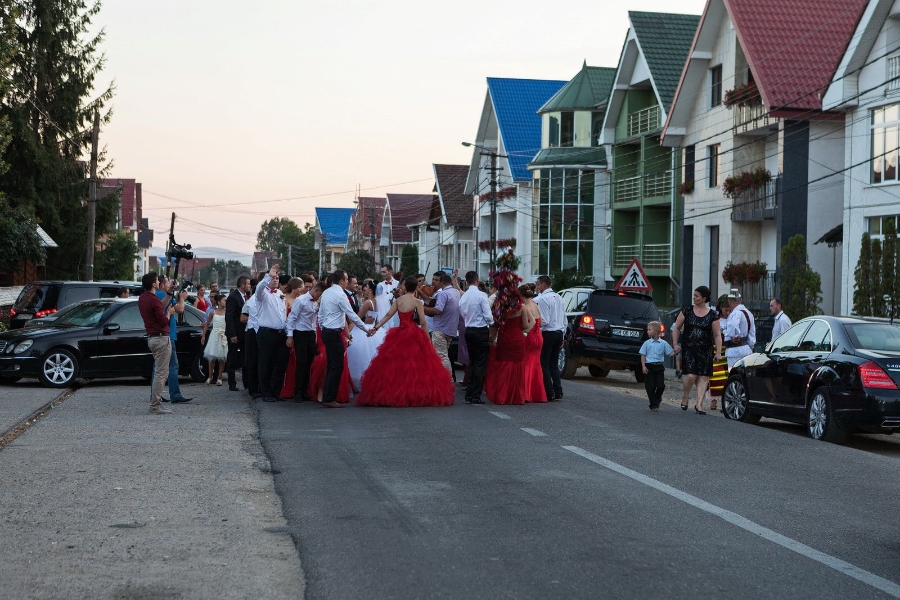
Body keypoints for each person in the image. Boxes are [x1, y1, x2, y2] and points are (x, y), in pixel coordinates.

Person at [357, 277, 454, 407]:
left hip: (399, 333)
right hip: (414, 333)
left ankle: (392, 393)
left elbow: (387, 315)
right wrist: (427, 339)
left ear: (405, 287)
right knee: (417, 367)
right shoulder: (417, 302)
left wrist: (376, 327)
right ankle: (415, 394)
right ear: (415, 288)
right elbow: (423, 322)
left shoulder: (398, 300)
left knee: (395, 366)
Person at [317, 270, 370, 408]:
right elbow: (351, 314)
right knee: (336, 366)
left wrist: (323, 328)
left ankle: (328, 397)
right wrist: (366, 329)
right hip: (334, 333)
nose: (348, 281)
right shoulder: (340, 295)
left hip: (327, 332)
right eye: (346, 279)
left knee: (332, 365)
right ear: (341, 281)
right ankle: (329, 398)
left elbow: (321, 315)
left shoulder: (327, 292)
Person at [484, 275, 536, 405]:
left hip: (504, 338)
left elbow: (494, 325)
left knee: (503, 366)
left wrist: (491, 339)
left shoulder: (500, 308)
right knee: (517, 367)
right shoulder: (522, 308)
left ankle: (502, 395)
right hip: (518, 339)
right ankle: (516, 396)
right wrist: (524, 332)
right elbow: (526, 324)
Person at [671, 286, 723, 415]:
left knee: (703, 377)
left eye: (697, 296)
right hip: (689, 348)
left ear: (704, 298)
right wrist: (675, 344)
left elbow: (717, 335)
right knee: (690, 375)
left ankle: (699, 404)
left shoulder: (713, 315)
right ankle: (686, 396)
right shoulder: (687, 310)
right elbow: (676, 328)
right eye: (694, 295)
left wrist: (718, 352)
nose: (694, 298)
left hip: (705, 349)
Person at [139, 273, 176, 414]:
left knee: (159, 372)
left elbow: (159, 306)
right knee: (161, 373)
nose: (158, 282)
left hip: (151, 337)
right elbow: (163, 320)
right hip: (161, 338)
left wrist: (169, 292)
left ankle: (155, 403)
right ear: (154, 284)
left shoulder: (143, 298)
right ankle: (155, 405)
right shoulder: (153, 299)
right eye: (156, 280)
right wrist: (169, 313)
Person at [156, 276, 193, 404]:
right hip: (167, 335)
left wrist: (177, 297)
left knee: (158, 366)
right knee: (172, 365)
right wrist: (182, 299)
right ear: (161, 285)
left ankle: (156, 394)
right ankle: (175, 394)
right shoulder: (162, 294)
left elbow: (174, 303)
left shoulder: (160, 294)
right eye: (167, 282)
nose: (169, 284)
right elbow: (180, 309)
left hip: (164, 334)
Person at [459, 271, 493, 404]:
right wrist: (491, 323)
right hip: (480, 330)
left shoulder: (464, 297)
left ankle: (469, 392)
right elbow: (488, 315)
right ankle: (475, 394)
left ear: (467, 282)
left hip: (469, 330)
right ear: (477, 280)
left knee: (472, 361)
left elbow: (462, 312)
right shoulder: (481, 295)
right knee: (480, 363)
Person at [255, 264, 288, 403]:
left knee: (280, 363)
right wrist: (268, 275)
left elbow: (282, 314)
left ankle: (276, 391)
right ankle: (266, 392)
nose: (275, 279)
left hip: (281, 333)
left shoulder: (280, 294)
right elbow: (259, 288)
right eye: (273, 277)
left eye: (277, 277)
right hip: (267, 333)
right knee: (266, 363)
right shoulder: (262, 294)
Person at [285, 280, 322, 401]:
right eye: (319, 294)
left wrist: (315, 336)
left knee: (310, 363)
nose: (319, 297)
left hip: (311, 334)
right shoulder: (301, 300)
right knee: (302, 362)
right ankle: (298, 391)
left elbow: (315, 321)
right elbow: (292, 318)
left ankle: (305, 390)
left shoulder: (315, 303)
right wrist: (290, 336)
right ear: (316, 291)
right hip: (300, 333)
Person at [346, 281, 386, 391]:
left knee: (359, 355)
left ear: (371, 290)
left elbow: (357, 318)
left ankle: (358, 381)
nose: (364, 289)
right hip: (374, 328)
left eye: (366, 288)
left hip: (364, 329)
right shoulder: (378, 301)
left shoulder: (368, 302)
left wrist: (348, 332)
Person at [534, 275, 566, 401]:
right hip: (558, 332)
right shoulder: (559, 297)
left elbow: (545, 321)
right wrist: (562, 335)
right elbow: (564, 319)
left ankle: (549, 392)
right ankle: (558, 391)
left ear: (543, 284)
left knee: (544, 363)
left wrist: (535, 325)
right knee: (554, 364)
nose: (537, 286)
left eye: (538, 284)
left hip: (548, 333)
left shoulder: (543, 299)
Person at [424, 272, 459, 376]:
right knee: (444, 355)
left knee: (442, 356)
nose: (434, 283)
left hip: (441, 329)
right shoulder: (455, 292)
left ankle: (447, 380)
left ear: (442, 282)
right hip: (451, 328)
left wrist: (422, 308)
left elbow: (438, 310)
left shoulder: (443, 293)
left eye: (437, 280)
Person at [279, 277, 308, 399]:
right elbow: (285, 317)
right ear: (295, 288)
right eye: (301, 287)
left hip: (299, 333)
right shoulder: (285, 299)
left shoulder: (300, 300)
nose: (303, 289)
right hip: (288, 332)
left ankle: (300, 387)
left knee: (300, 362)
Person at [640, 321, 677, 412]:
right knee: (650, 386)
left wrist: (676, 351)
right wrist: (643, 366)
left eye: (649, 330)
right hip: (649, 366)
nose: (647, 331)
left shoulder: (663, 343)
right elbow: (643, 355)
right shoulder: (647, 343)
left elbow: (670, 353)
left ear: (656, 331)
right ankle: (653, 404)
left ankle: (657, 398)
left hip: (659, 366)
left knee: (661, 385)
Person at [519, 283, 546, 402]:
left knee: (526, 364)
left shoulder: (525, 307)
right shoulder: (536, 305)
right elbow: (542, 323)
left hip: (528, 337)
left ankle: (526, 394)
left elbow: (527, 324)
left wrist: (523, 332)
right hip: (538, 337)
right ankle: (537, 394)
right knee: (535, 364)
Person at [225, 276, 250, 391]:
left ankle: (247, 382)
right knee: (232, 358)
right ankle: (232, 383)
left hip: (245, 333)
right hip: (235, 333)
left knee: (246, 358)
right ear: (242, 285)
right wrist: (232, 334)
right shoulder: (233, 297)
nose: (249, 286)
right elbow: (229, 317)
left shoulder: (247, 297)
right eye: (248, 284)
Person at [708, 300, 731, 411]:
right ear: (721, 308)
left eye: (729, 310)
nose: (728, 312)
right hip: (717, 349)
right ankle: (714, 400)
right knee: (715, 376)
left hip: (728, 350)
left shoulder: (733, 318)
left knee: (727, 376)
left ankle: (726, 400)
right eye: (726, 310)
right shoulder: (716, 319)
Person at [724, 288, 755, 370]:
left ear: (729, 302)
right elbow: (752, 334)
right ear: (740, 300)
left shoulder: (735, 313)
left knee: (733, 375)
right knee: (745, 376)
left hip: (735, 350)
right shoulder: (749, 313)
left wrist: (734, 335)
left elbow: (733, 327)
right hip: (746, 349)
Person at [201, 294, 229, 385]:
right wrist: (204, 335)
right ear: (219, 302)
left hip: (223, 335)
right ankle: (210, 376)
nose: (226, 302)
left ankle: (219, 377)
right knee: (212, 357)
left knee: (222, 358)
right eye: (224, 300)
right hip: (214, 334)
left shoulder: (227, 312)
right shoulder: (213, 312)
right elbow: (207, 323)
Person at [242, 280, 260, 398]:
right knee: (252, 360)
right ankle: (252, 387)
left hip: (262, 332)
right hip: (253, 331)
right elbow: (243, 318)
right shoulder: (251, 301)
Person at [375, 264, 400, 330]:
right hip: (384, 314)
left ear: (390, 272)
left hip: (396, 313)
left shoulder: (398, 284)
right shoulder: (380, 285)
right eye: (381, 272)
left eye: (384, 272)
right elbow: (378, 302)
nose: (382, 274)